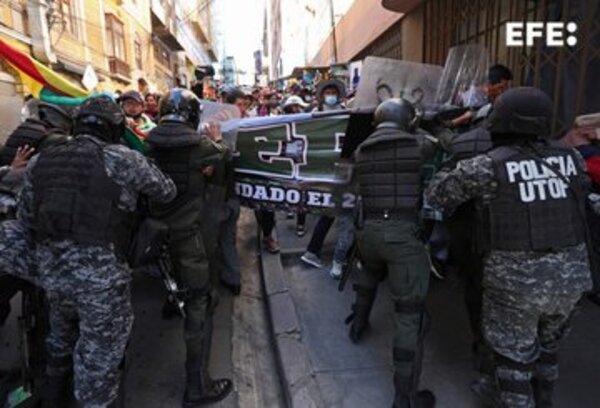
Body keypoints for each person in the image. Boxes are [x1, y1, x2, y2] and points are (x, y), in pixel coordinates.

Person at [426, 87, 592, 408]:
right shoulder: (572, 159)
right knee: (548, 350)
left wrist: (449, 165)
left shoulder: (487, 165)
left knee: (513, 361)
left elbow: (437, 196)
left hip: (516, 284)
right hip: (572, 279)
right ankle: (545, 401)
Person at [16, 95, 176, 407]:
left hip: (52, 273)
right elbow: (166, 190)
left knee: (60, 336)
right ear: (115, 128)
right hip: (101, 281)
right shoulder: (121, 158)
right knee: (99, 355)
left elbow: (26, 218)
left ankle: (51, 394)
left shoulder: (41, 160)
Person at [145, 88, 233, 406]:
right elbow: (223, 169)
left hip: (154, 235)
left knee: (175, 288)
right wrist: (219, 140)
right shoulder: (203, 147)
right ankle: (196, 386)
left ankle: (172, 301)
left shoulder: (147, 144)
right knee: (199, 302)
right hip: (188, 235)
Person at [349, 98, 435, 408]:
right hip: (401, 236)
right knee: (410, 315)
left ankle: (358, 324)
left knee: (368, 276)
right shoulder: (419, 145)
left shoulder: (361, 151)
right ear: (407, 121)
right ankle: (405, 397)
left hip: (368, 232)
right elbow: (440, 144)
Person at [301, 79, 352, 278]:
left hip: (344, 167)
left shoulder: (347, 112)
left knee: (332, 210)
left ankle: (314, 251)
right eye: (327, 92)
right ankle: (334, 256)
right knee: (335, 211)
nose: (330, 95)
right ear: (322, 95)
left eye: (333, 91)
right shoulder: (314, 115)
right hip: (324, 169)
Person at [449, 64, 513, 128]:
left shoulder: (489, 97)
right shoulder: (474, 99)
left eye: (506, 87)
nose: (503, 91)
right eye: (500, 88)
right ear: (489, 84)